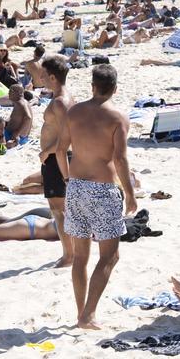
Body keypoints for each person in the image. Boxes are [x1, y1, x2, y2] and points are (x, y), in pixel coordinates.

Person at [56, 64, 136, 329]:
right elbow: (120, 159)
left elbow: (60, 151)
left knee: (80, 257)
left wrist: (68, 179)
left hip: (76, 187)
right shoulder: (117, 117)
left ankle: (82, 313)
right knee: (110, 256)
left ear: (92, 86)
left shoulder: (74, 112)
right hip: (102, 191)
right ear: (114, 88)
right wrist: (130, 194)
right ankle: (87, 315)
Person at [39, 55, 75, 267]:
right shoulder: (65, 97)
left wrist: (47, 152)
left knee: (58, 209)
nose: (40, 78)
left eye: (43, 75)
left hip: (56, 158)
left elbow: (68, 136)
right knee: (63, 209)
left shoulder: (60, 102)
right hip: (56, 157)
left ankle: (68, 256)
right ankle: (71, 253)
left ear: (53, 77)